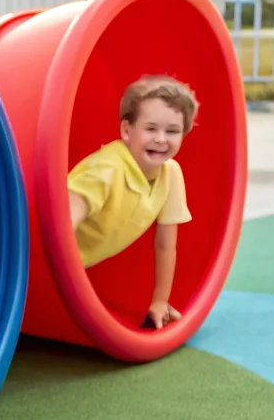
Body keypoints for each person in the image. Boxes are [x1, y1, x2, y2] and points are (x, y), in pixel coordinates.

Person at [67, 76, 197, 329]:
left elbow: (165, 245)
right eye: (151, 129)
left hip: (75, 263)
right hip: (32, 259)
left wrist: (160, 301)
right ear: (127, 131)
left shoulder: (170, 173)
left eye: (172, 131)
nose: (161, 139)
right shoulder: (105, 170)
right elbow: (58, 227)